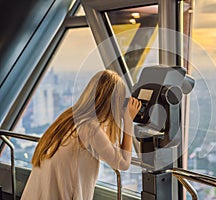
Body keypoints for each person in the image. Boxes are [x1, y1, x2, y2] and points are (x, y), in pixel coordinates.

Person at [21, 70, 141, 200]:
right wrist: (128, 122)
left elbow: (101, 147)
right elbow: (123, 164)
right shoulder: (90, 128)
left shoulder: (69, 118)